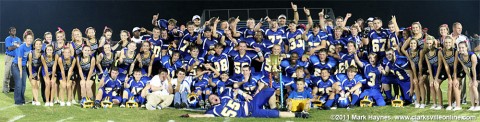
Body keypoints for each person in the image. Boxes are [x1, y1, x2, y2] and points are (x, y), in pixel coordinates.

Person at [181, 87, 309, 118]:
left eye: (214, 96)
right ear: (211, 103)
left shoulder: (224, 97)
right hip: (252, 112)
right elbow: (203, 117)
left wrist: (244, 93)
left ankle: (274, 105)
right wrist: (190, 115)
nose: (214, 98)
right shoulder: (214, 111)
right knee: (275, 114)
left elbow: (235, 90)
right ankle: (298, 115)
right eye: (211, 99)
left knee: (270, 90)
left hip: (251, 102)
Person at [439, 36, 462, 110]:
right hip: (450, 69)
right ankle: (450, 105)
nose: (447, 44)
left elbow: (455, 65)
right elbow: (446, 65)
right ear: (443, 43)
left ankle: (458, 105)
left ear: (452, 43)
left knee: (455, 84)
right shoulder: (442, 52)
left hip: (459, 69)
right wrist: (449, 78)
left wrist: (454, 78)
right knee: (449, 84)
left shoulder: (456, 51)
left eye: (449, 42)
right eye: (446, 42)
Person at [456, 42, 480, 111]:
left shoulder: (472, 55)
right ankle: (472, 105)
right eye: (459, 48)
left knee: (474, 86)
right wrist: (470, 79)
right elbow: (465, 68)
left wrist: (474, 80)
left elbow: (473, 68)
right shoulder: (460, 56)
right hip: (473, 72)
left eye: (463, 47)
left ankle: (478, 105)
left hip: (478, 71)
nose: (461, 49)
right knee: (470, 85)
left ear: (466, 48)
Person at [12, 29, 33, 105]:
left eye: (31, 38)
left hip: (24, 67)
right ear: (25, 39)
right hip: (16, 66)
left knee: (23, 84)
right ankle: (17, 101)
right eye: (28, 38)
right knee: (18, 84)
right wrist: (20, 71)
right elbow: (19, 60)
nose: (29, 40)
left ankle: (22, 100)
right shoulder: (21, 47)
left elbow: (30, 60)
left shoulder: (31, 47)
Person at [424, 37, 443, 110]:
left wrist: (436, 77)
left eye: (430, 43)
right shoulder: (426, 54)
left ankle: (440, 105)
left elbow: (440, 65)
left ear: (433, 43)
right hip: (434, 71)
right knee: (431, 85)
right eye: (427, 43)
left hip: (441, 71)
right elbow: (429, 66)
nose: (429, 45)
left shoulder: (438, 51)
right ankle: (435, 104)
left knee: (436, 84)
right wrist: (431, 77)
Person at [4, 27, 21, 93]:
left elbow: (19, 47)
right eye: (12, 30)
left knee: (14, 73)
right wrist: (17, 45)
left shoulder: (18, 39)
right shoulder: (8, 39)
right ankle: (5, 88)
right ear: (9, 32)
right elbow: (10, 48)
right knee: (7, 73)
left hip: (16, 57)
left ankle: (12, 87)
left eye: (15, 30)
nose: (14, 31)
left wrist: (15, 46)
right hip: (9, 57)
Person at [28, 39, 43, 106]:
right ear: (34, 45)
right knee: (34, 85)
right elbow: (29, 64)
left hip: (39, 70)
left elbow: (41, 65)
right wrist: (30, 74)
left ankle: (34, 100)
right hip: (32, 69)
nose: (38, 45)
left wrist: (39, 74)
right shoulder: (31, 53)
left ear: (42, 45)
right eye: (37, 44)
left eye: (40, 44)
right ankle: (37, 101)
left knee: (37, 86)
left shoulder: (43, 53)